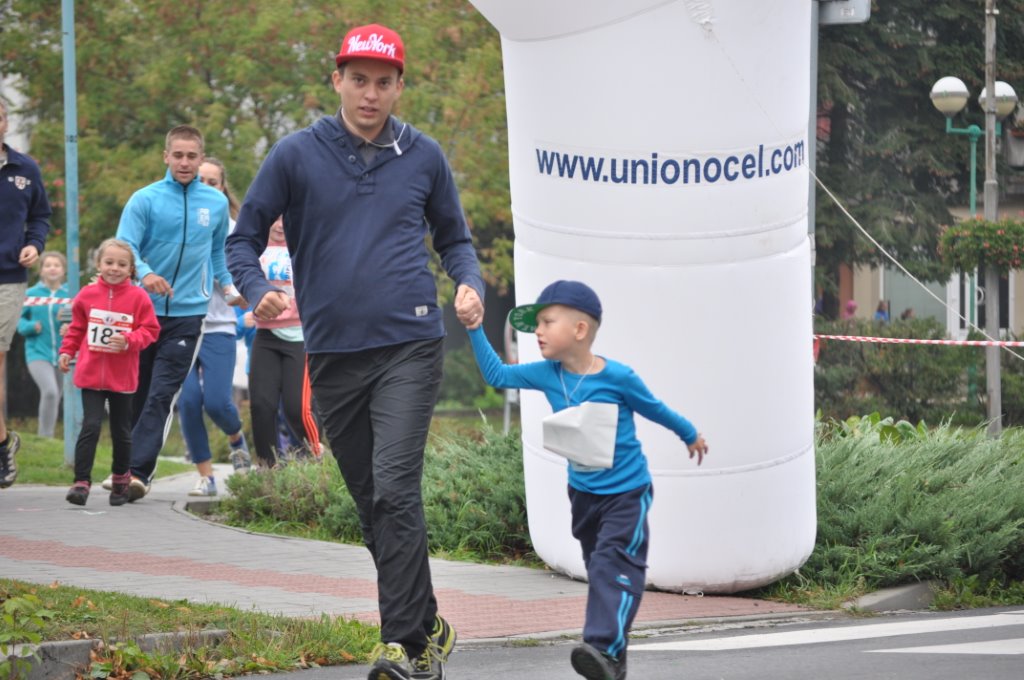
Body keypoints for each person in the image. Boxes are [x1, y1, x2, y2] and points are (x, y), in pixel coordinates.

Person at [226, 23, 483, 680]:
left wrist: (469, 285)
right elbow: (242, 239)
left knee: (395, 489)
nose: (371, 93)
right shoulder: (295, 154)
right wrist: (256, 290)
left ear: (399, 88)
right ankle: (429, 625)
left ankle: (401, 644)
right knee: (372, 503)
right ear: (336, 80)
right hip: (334, 352)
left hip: (410, 344)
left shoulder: (424, 156)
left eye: (384, 82)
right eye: (359, 79)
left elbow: (454, 240)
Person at [461, 280, 708, 680]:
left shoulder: (618, 378)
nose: (537, 331)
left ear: (579, 329)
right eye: (536, 324)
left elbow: (656, 409)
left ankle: (601, 646)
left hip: (626, 493)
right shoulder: (547, 374)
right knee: (600, 572)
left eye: (547, 322)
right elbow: (496, 374)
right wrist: (474, 328)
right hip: (582, 494)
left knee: (614, 565)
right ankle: (612, 662)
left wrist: (689, 434)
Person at [116, 125, 239, 502]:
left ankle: (137, 474)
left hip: (189, 313)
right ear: (166, 156)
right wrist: (145, 273)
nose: (185, 162)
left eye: (192, 156)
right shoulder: (145, 199)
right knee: (136, 393)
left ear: (201, 159)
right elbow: (125, 245)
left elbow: (217, 253)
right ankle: (124, 467)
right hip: (142, 311)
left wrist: (229, 288)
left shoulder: (215, 204)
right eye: (178, 155)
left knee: (161, 394)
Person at [58, 239, 159, 505]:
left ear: (131, 269)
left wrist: (129, 340)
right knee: (90, 426)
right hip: (91, 374)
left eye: (122, 264)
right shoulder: (87, 295)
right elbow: (77, 328)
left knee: (121, 431)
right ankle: (81, 482)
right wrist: (67, 351)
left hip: (122, 377)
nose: (115, 268)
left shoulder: (139, 297)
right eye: (109, 262)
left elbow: (151, 330)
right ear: (98, 264)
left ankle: (121, 481)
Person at [176, 157, 251, 497]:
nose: (205, 187)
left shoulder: (234, 229)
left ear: (222, 189)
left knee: (218, 402)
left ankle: (236, 439)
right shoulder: (176, 220)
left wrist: (236, 288)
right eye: (199, 181)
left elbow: (241, 273)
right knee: (189, 401)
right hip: (181, 325)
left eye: (212, 182)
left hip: (219, 325)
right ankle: (206, 477)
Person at [0, 97, 52, 488]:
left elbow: (40, 215)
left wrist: (34, 244)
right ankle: (4, 442)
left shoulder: (25, 169)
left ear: (5, 123)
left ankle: (1, 449)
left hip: (8, 277)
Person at [247, 216, 316, 467]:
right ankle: (268, 469)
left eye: (284, 220)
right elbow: (240, 286)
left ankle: (317, 459)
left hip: (299, 336)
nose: (278, 226)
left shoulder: (306, 243)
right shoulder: (254, 247)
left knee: (296, 409)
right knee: (261, 405)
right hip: (266, 334)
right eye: (273, 220)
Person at [17, 251, 70, 437]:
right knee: (50, 392)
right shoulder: (30, 294)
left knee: (56, 396)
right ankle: (44, 436)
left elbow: (81, 321)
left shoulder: (71, 294)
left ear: (63, 270)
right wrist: (31, 326)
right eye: (48, 265)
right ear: (41, 270)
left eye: (57, 265)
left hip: (64, 354)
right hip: (37, 353)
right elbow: (18, 321)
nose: (52, 268)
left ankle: (50, 438)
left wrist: (68, 322)